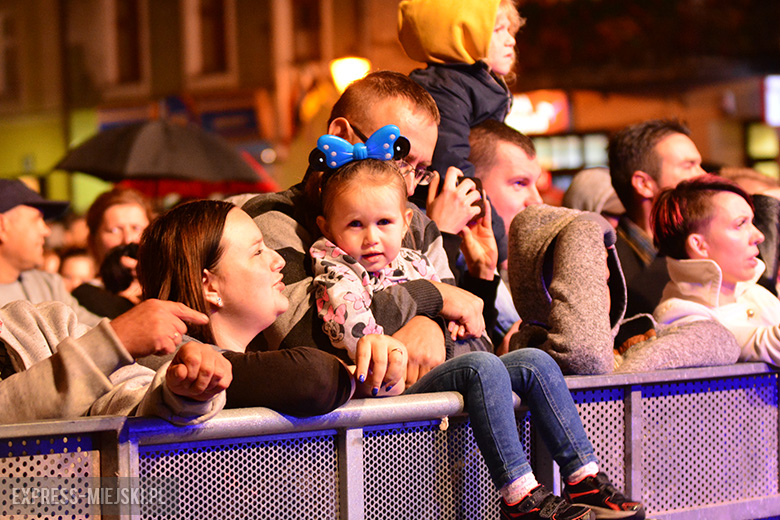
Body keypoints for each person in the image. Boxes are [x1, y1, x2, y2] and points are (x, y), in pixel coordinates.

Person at [234, 70, 491, 386]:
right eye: (398, 158)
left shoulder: (415, 225)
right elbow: (308, 351)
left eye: (421, 170)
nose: (409, 187)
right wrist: (432, 296)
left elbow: (476, 340)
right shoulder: (271, 220)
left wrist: (433, 329)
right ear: (342, 134)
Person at [137, 200, 358, 415]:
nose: (279, 260)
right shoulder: (168, 359)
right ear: (210, 286)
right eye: (258, 252)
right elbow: (315, 377)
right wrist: (364, 377)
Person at [309, 127, 490, 361]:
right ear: (327, 228)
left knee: (533, 361)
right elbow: (364, 346)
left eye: (384, 221)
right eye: (355, 224)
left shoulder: (417, 261)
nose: (372, 238)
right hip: (398, 387)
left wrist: (454, 327)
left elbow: (470, 327)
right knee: (485, 368)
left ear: (406, 223)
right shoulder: (335, 274)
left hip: (451, 363)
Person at [508, 204, 740, 374]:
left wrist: (628, 372)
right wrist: (583, 230)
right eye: (585, 282)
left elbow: (722, 340)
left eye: (604, 281)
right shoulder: (532, 350)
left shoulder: (634, 335)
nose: (599, 292)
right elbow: (586, 356)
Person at [398, 0, 523, 263]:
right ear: (460, 36)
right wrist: (503, 244)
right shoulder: (446, 88)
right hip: (448, 229)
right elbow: (452, 168)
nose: (510, 40)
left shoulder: (474, 84)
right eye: (498, 30)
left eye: (510, 30)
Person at [0, 297, 230, 424]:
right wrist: (115, 341)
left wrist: (178, 392)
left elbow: (122, 396)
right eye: (257, 252)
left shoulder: (42, 321)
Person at [652, 174, 780, 366]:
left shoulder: (757, 295)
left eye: (752, 222)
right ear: (699, 245)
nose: (759, 236)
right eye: (740, 224)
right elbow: (766, 344)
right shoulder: (678, 316)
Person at [607, 119, 706, 317]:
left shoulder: (706, 248)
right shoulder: (606, 267)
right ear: (644, 184)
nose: (703, 175)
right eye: (689, 166)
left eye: (700, 165)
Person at [468, 120, 542, 349]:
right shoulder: (446, 268)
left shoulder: (533, 265)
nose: (536, 200)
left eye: (535, 184)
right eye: (519, 183)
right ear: (475, 189)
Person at [0, 179, 101, 326]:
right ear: (2, 227)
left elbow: (94, 329)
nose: (46, 231)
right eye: (37, 220)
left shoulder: (49, 285)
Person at [74, 187, 153, 318]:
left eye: (136, 228)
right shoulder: (84, 298)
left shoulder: (165, 289)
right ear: (93, 241)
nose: (128, 239)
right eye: (114, 230)